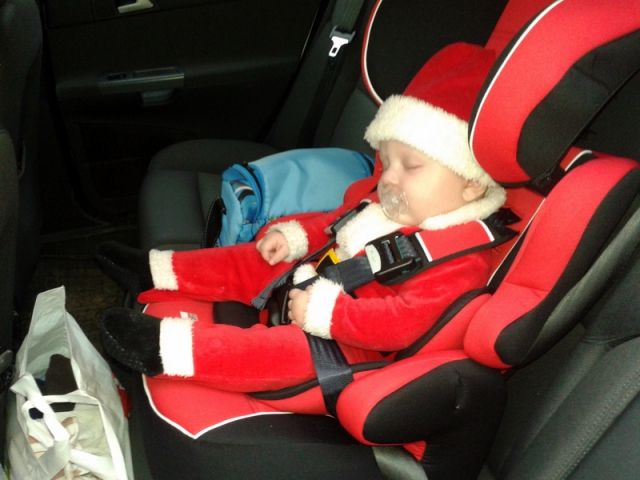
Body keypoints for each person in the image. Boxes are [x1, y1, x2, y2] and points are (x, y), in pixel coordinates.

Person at [97, 43, 506, 400]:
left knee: (278, 354)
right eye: (386, 161)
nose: (388, 178)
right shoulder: (386, 205)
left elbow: (403, 324)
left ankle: (165, 349)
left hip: (351, 343)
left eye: (410, 166)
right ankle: (156, 270)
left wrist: (329, 313)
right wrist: (294, 237)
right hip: (315, 286)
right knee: (254, 259)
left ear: (471, 183)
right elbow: (332, 225)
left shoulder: (458, 258)